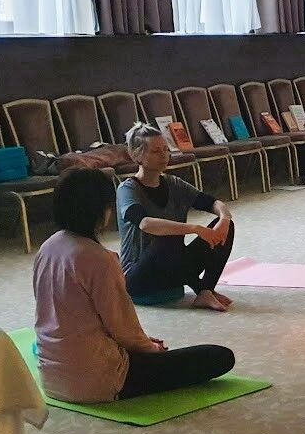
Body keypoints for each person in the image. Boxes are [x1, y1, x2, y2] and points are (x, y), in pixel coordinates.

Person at [34, 168, 234, 404]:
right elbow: (122, 327)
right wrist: (149, 347)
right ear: (100, 210)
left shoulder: (47, 247)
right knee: (219, 357)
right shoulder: (100, 259)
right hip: (98, 380)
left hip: (52, 377)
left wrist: (143, 341)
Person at [117, 123, 236, 311]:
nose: (164, 155)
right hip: (139, 278)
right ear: (136, 155)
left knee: (225, 228)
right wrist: (195, 229)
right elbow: (145, 223)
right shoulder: (128, 189)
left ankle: (206, 291)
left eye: (165, 149)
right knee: (168, 236)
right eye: (155, 151)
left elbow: (212, 202)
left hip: (172, 268)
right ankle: (200, 288)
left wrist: (224, 219)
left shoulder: (174, 183)